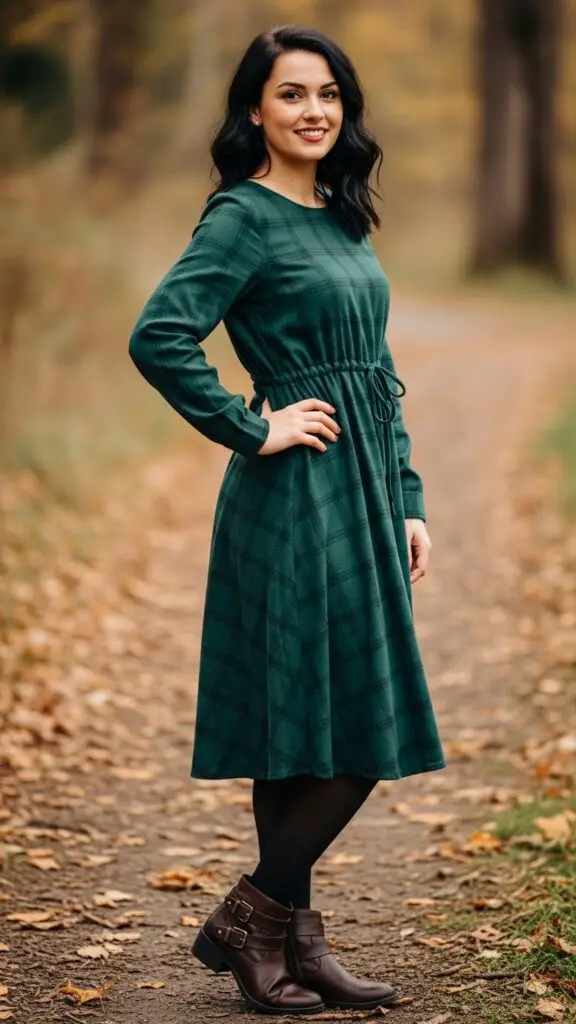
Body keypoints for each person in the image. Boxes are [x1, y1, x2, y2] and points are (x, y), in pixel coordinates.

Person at [129, 24, 446, 1017]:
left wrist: (407, 495)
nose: (315, 111)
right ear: (254, 110)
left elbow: (380, 379)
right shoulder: (241, 219)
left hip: (360, 492)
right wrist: (248, 426)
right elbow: (159, 334)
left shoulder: (342, 217)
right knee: (348, 725)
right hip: (294, 495)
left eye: (330, 95)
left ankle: (288, 944)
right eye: (292, 94)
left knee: (315, 729)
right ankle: (255, 920)